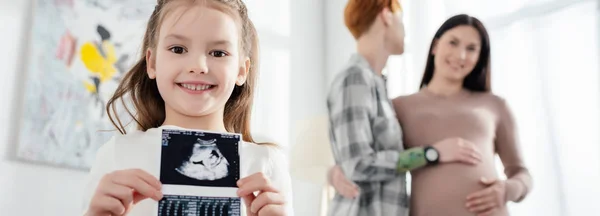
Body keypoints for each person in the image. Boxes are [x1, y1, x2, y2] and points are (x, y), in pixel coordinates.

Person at [80, 0, 292, 215]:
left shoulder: (267, 164)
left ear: (241, 70)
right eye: (178, 49)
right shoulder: (117, 154)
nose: (198, 66)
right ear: (152, 64)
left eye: (218, 53)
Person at [330, 14, 533, 216]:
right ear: (435, 46)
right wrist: (332, 173)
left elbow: (521, 173)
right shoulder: (399, 107)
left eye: (471, 49)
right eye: (453, 43)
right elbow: (358, 152)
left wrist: (506, 190)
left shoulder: (494, 105)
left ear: (480, 58)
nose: (461, 55)